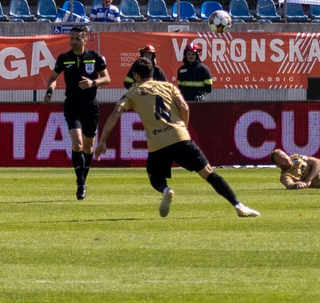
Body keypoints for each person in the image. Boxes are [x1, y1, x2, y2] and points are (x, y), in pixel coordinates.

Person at [94, 65, 259, 219]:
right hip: (180, 137)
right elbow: (184, 107)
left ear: (136, 75)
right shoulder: (169, 86)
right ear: (152, 73)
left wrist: (102, 141)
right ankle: (239, 206)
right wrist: (182, 128)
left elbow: (115, 113)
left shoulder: (132, 92)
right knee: (208, 173)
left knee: (154, 176)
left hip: (157, 143)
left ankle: (166, 190)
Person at [43, 28, 111, 200]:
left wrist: (93, 82)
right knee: (77, 143)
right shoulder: (64, 59)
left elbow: (107, 78)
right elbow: (53, 78)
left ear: (85, 40)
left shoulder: (94, 57)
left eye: (77, 39)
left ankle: (83, 180)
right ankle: (80, 183)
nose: (73, 41)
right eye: (71, 38)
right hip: (72, 105)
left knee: (88, 148)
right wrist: (50, 90)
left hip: (91, 107)